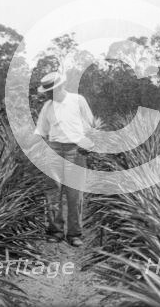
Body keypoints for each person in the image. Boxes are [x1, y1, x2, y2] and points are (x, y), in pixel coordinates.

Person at [34, 72, 95, 247]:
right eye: (46, 91)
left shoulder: (78, 100)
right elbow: (41, 131)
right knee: (53, 193)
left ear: (60, 86)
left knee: (75, 195)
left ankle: (75, 234)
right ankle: (55, 232)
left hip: (75, 150)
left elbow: (90, 125)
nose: (47, 94)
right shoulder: (47, 106)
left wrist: (87, 144)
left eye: (50, 90)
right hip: (53, 149)